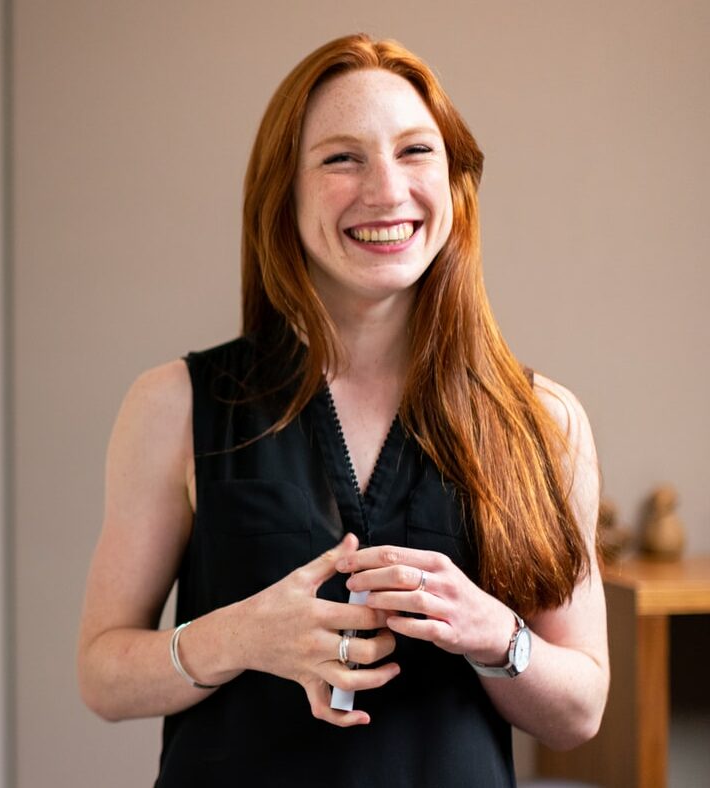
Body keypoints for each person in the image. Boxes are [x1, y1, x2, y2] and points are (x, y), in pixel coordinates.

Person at [77, 34, 607, 786]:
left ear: (454, 182)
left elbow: (582, 710)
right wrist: (238, 637)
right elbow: (101, 675)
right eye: (341, 158)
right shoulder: (173, 406)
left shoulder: (546, 423)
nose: (387, 191)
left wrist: (495, 634)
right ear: (282, 194)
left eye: (415, 151)